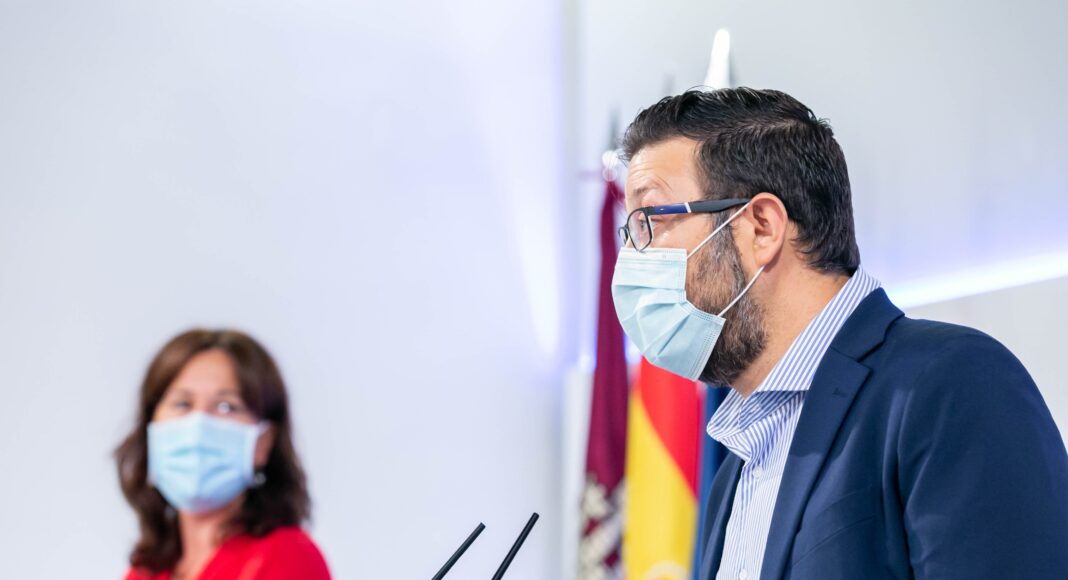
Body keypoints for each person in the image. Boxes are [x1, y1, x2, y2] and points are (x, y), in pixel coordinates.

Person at [611, 88, 1068, 579]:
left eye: (649, 220)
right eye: (630, 232)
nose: (633, 257)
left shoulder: (951, 383)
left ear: (761, 227)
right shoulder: (733, 471)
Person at [115, 329, 330, 579]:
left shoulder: (288, 558)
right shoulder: (147, 570)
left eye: (226, 407)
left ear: (263, 442)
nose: (198, 424)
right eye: (182, 404)